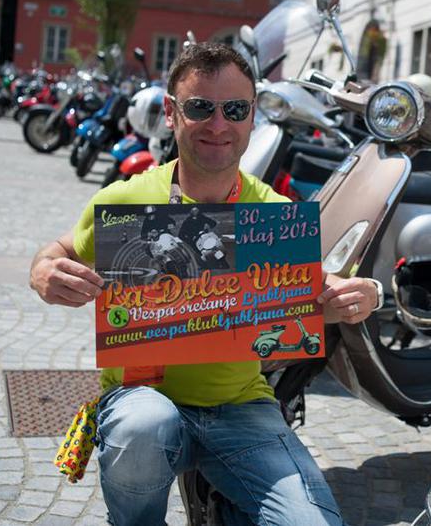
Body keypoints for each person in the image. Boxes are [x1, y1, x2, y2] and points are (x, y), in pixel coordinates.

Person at [29, 43, 380, 526]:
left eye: (234, 109)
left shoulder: (274, 214)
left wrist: (362, 294)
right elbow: (57, 251)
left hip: (240, 407)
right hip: (141, 399)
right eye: (200, 107)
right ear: (170, 112)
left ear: (252, 116)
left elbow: (320, 288)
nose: (218, 125)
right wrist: (43, 270)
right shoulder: (125, 200)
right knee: (144, 425)